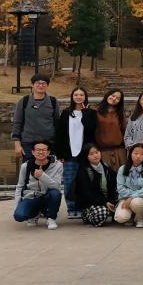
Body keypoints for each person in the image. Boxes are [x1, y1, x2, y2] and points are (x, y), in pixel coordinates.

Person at [53, 86, 96, 219]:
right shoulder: (66, 113)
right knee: (69, 182)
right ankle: (72, 208)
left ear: (85, 97)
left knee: (85, 181)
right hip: (69, 154)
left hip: (85, 154)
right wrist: (59, 154)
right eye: (76, 95)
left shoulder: (90, 113)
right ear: (72, 97)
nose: (78, 97)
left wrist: (85, 113)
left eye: (81, 95)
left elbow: (91, 130)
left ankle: (84, 207)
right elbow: (59, 134)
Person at [12, 140, 62, 229]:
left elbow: (56, 186)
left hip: (47, 196)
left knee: (55, 193)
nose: (41, 152)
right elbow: (20, 187)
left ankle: (51, 218)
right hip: (31, 197)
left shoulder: (57, 165)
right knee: (19, 216)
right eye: (38, 150)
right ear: (33, 152)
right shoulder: (25, 166)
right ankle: (34, 214)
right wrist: (17, 205)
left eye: (44, 150)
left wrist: (42, 176)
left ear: (48, 152)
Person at [11, 73, 58, 160]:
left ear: (47, 85)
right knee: (29, 167)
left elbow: (57, 123)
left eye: (43, 83)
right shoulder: (24, 101)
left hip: (48, 144)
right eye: (38, 83)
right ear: (33, 85)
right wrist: (17, 144)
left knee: (48, 168)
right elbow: (17, 122)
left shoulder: (53, 101)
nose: (41, 85)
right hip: (28, 144)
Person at [71, 144, 117, 227]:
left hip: (106, 201)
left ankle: (111, 212)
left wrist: (111, 201)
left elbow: (113, 187)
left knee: (122, 209)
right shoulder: (83, 171)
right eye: (91, 154)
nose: (95, 155)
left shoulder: (106, 167)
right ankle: (87, 216)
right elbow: (87, 194)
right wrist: (104, 202)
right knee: (102, 212)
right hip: (91, 203)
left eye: (97, 152)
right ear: (86, 156)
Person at [115, 143, 143, 227]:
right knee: (120, 218)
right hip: (125, 198)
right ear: (130, 154)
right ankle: (131, 215)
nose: (138, 156)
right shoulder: (122, 169)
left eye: (142, 154)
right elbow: (120, 188)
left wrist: (132, 197)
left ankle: (139, 218)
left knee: (137, 202)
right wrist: (128, 198)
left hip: (141, 199)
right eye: (136, 153)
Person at [94, 89, 128, 171]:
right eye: (113, 95)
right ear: (108, 95)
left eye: (118, 98)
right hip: (102, 151)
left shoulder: (120, 114)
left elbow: (125, 131)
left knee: (121, 175)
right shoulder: (96, 112)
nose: (114, 99)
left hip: (119, 151)